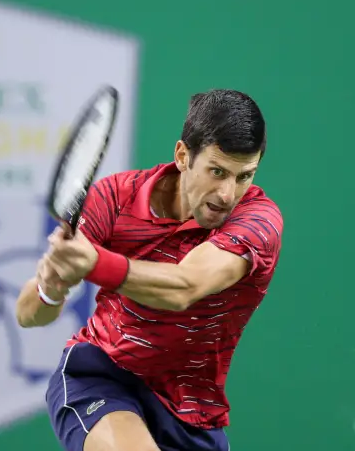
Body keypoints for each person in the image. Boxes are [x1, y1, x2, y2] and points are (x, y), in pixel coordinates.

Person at [15, 89, 283, 451]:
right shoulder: (115, 198)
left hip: (192, 411)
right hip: (102, 377)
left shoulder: (258, 221)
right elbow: (28, 314)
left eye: (243, 176)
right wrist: (50, 286)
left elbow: (184, 287)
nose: (226, 193)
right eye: (216, 172)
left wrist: (95, 263)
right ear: (183, 156)